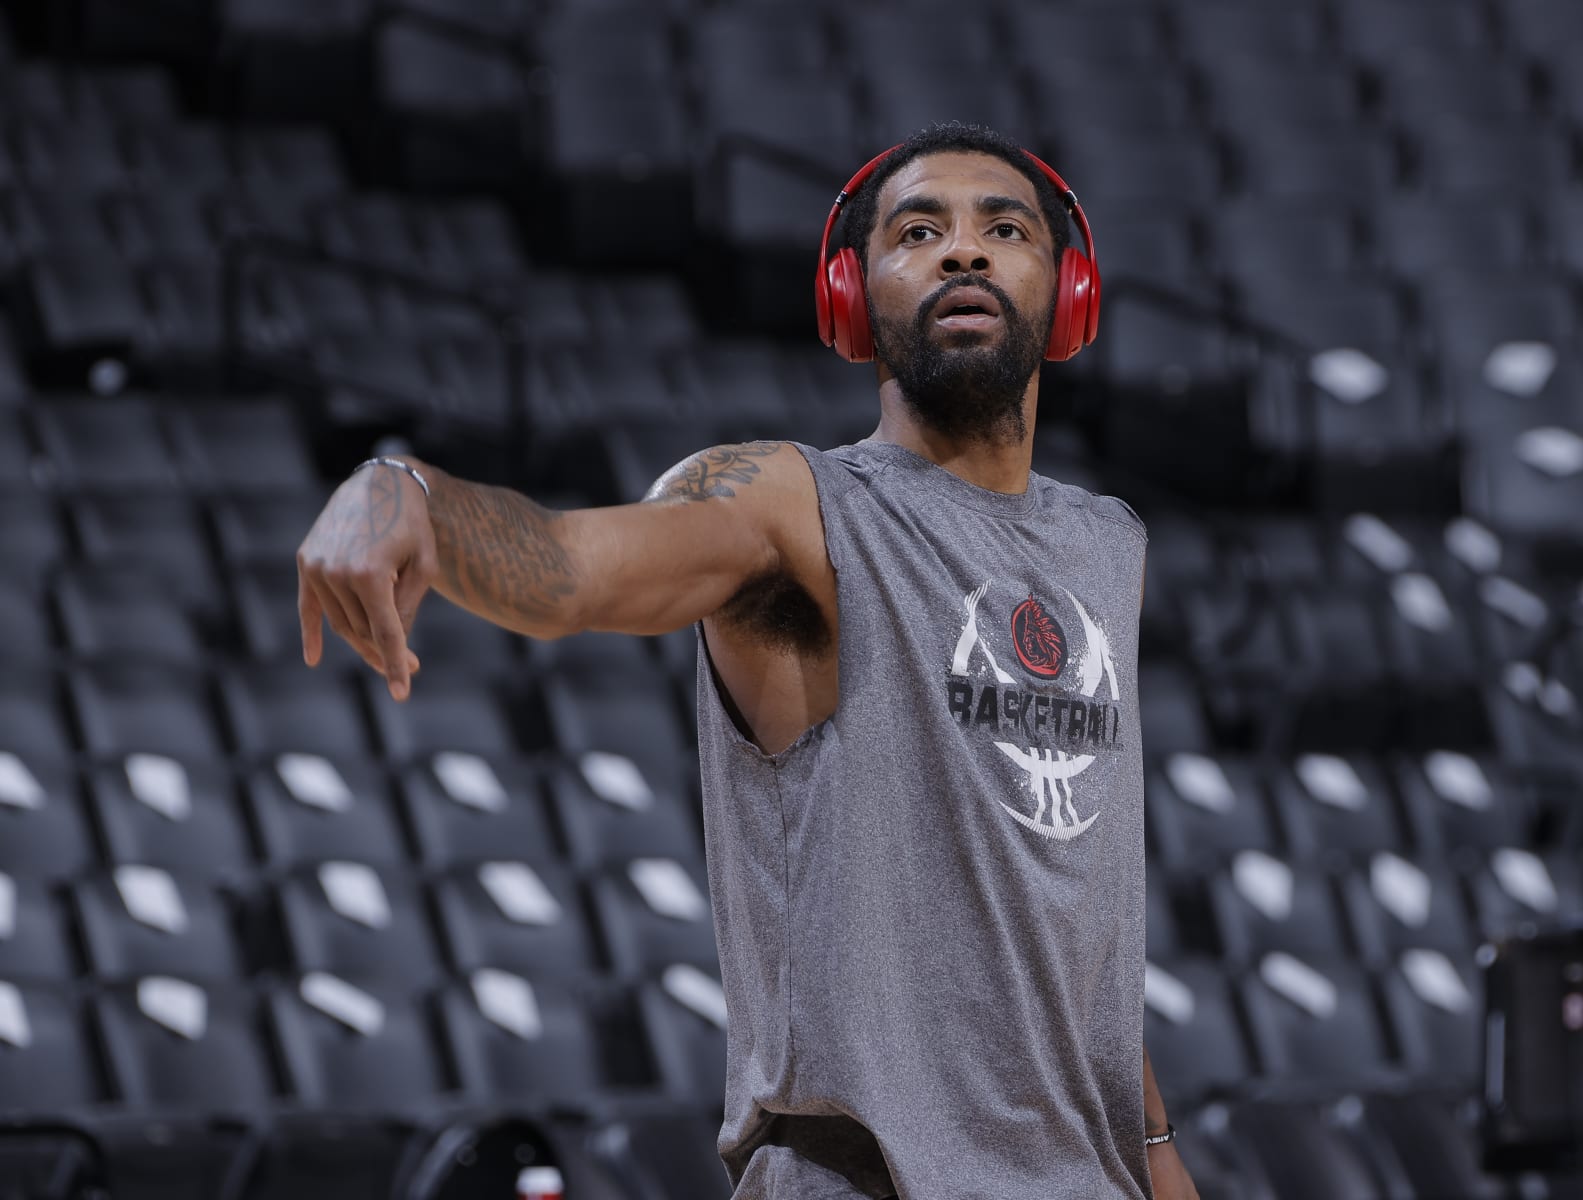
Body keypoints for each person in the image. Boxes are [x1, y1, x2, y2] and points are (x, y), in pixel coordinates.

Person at [295, 122, 1201, 1200]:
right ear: (852, 299)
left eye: (1003, 229)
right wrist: (409, 494)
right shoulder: (791, 505)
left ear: (1070, 292)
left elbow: (1076, 901)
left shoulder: (1108, 547)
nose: (964, 252)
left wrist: (1151, 1149)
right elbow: (572, 566)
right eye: (919, 231)